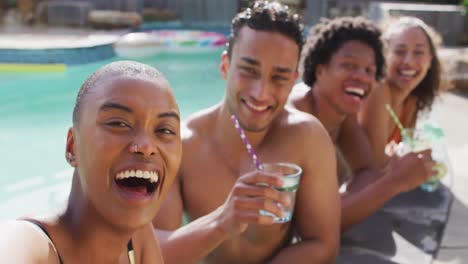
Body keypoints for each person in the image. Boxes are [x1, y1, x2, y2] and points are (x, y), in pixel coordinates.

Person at [153, 1, 340, 263]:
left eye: (279, 78)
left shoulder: (308, 138)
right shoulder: (181, 144)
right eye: (249, 71)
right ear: (225, 66)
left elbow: (322, 243)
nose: (260, 93)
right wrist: (222, 221)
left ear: (294, 79)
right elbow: (151, 252)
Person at [0, 61, 182, 263]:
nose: (146, 146)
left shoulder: (137, 238)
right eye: (119, 124)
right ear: (73, 146)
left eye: (165, 130)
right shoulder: (28, 243)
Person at [288, 16, 437, 231]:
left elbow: (368, 170)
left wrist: (343, 204)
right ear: (319, 69)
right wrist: (394, 182)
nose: (361, 77)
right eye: (349, 65)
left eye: (369, 70)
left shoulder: (343, 110)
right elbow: (313, 226)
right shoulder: (297, 122)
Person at [358, 16, 444, 168]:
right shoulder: (378, 91)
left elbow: (405, 149)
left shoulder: (412, 99)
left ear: (430, 59)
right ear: (383, 56)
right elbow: (376, 167)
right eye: (399, 51)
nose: (409, 61)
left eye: (418, 52)